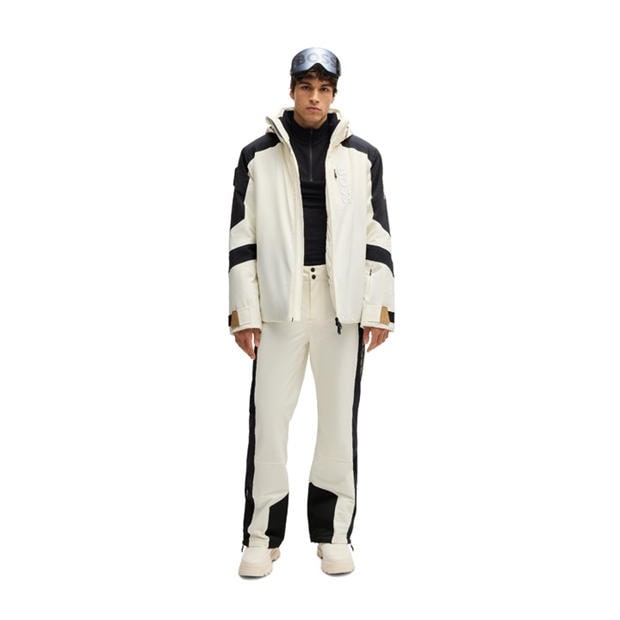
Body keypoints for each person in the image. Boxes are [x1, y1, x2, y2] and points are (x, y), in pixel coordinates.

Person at [228, 47, 394, 577]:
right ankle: (261, 537)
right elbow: (242, 235)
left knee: (338, 424)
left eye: (324, 89)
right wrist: (244, 313)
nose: (315, 98)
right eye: (307, 88)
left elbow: (376, 232)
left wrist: (379, 308)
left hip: (340, 306)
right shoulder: (257, 156)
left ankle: (333, 535)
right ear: (293, 90)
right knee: (269, 422)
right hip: (280, 305)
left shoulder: (363, 157)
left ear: (334, 94)